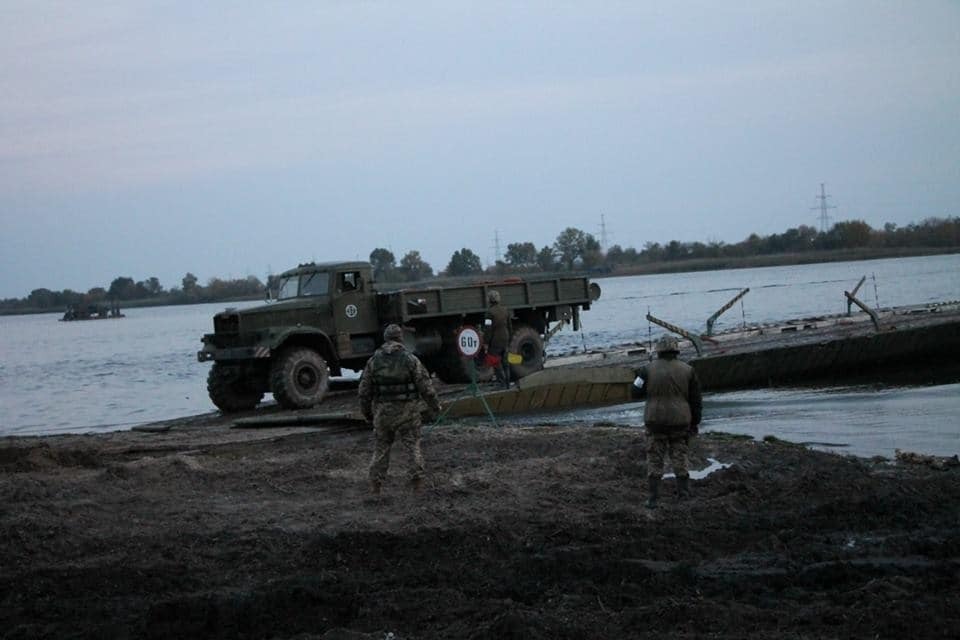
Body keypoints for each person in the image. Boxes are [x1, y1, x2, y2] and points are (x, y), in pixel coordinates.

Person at [359, 324, 441, 495]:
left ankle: (376, 487)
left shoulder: (373, 361)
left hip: (383, 414)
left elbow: (364, 391)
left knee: (381, 450)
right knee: (413, 448)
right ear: (400, 338)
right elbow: (426, 387)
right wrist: (435, 407)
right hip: (408, 413)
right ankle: (417, 486)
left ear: (385, 338)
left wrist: (367, 413)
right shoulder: (410, 360)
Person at [634, 334, 703, 509]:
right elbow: (696, 401)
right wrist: (695, 422)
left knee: (655, 458)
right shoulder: (688, 370)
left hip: (655, 420)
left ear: (658, 351)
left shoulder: (646, 369)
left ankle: (653, 498)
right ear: (676, 350)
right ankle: (683, 494)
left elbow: (634, 391)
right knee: (680, 456)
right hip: (681, 421)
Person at [484, 290, 512, 389]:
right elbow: (509, 326)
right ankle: (508, 383)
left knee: (495, 361)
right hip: (505, 338)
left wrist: (486, 343)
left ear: (489, 300)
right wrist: (509, 339)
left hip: (495, 340)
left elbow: (488, 330)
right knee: (505, 362)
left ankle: (502, 383)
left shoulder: (489, 313)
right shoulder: (505, 310)